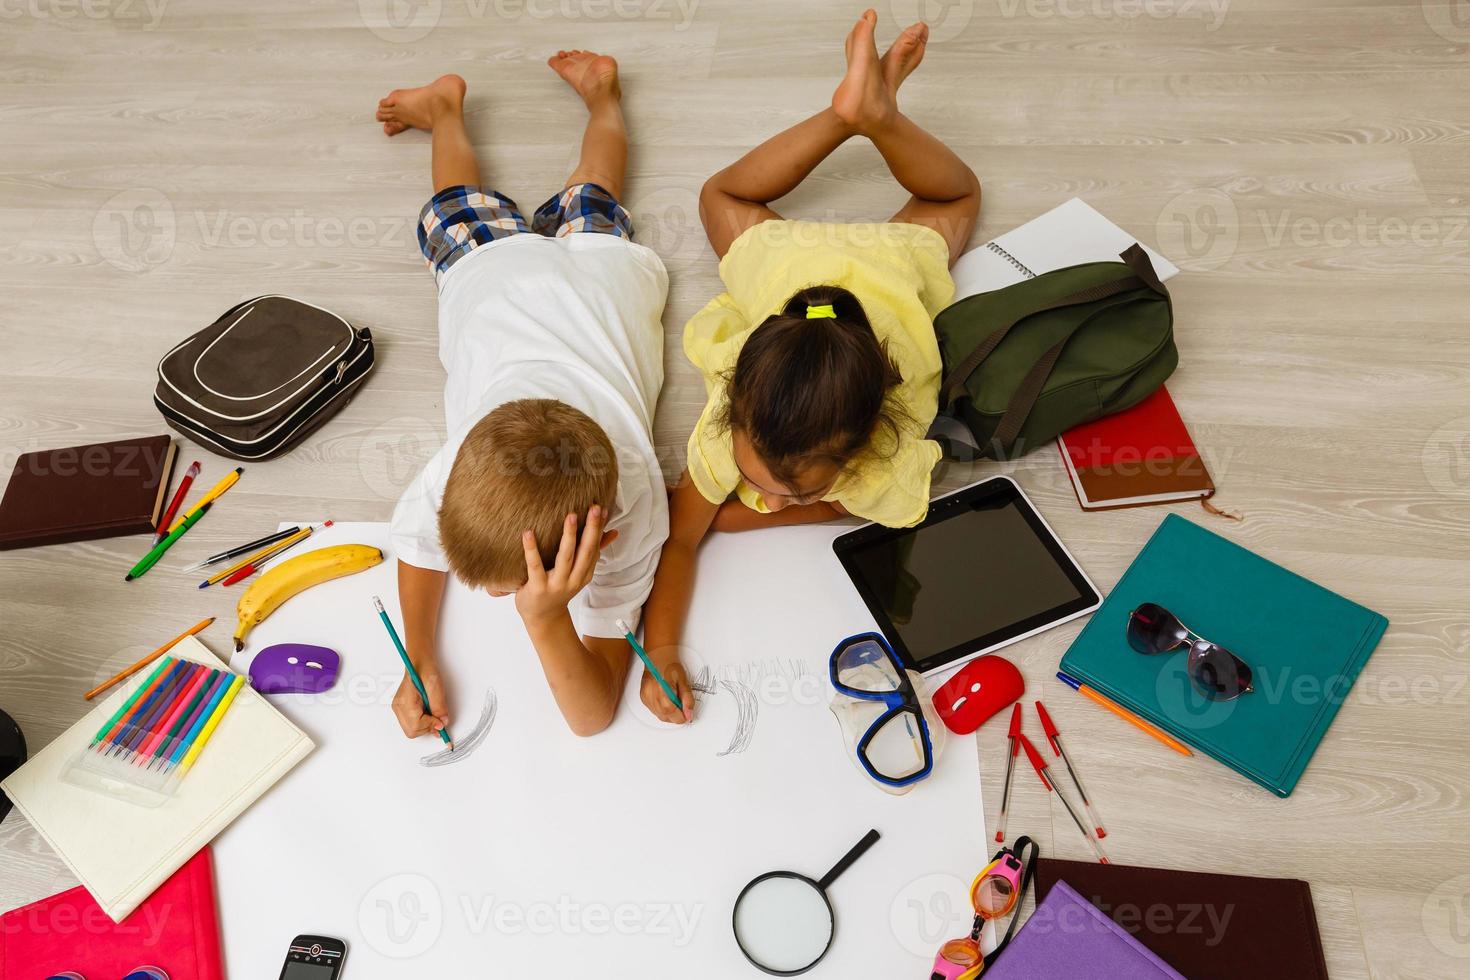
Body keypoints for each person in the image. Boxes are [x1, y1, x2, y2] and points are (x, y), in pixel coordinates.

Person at [639, 11, 981, 724]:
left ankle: (858, 114)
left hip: (882, 272)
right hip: (793, 272)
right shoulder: (723, 432)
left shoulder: (888, 455)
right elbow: (685, 533)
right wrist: (661, 647)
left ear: (869, 438)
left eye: (792, 496)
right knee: (722, 199)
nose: (777, 502)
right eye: (769, 487)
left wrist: (744, 519)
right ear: (733, 401)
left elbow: (821, 513)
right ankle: (863, 114)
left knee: (952, 199)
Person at [376, 51, 678, 738]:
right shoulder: (461, 465)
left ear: (602, 540)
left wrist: (544, 617)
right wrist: (417, 655)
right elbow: (423, 546)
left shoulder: (636, 510)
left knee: (590, 196)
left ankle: (598, 100)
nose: (486, 594)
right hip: (517, 278)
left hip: (577, 279)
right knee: (510, 202)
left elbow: (592, 716)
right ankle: (455, 107)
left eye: (505, 587)